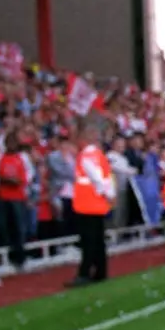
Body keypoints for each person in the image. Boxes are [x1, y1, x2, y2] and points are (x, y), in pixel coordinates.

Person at [68, 122, 114, 286]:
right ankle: (100, 271)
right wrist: (109, 195)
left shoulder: (86, 156)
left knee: (88, 240)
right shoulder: (100, 155)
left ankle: (85, 273)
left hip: (87, 203)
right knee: (99, 239)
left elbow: (96, 177)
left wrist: (104, 192)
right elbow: (106, 177)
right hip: (98, 203)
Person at [0, 140, 30, 271]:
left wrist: (10, 180)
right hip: (4, 197)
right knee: (5, 228)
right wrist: (8, 180)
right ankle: (9, 257)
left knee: (19, 228)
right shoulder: (1, 159)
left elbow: (22, 179)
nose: (11, 145)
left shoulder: (20, 159)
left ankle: (20, 258)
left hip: (17, 197)